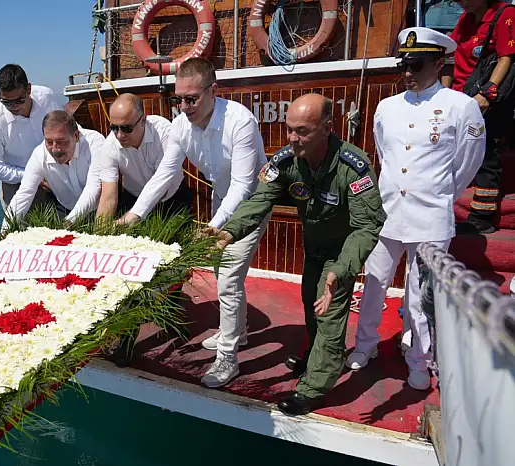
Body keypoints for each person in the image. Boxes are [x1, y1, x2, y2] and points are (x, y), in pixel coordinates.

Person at [202, 93, 387, 415]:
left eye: (302, 131)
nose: (292, 138)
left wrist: (342, 269)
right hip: (313, 250)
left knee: (328, 315)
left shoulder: (353, 167)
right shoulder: (286, 162)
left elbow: (367, 226)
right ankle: (315, 359)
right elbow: (259, 200)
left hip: (341, 253)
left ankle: (313, 388)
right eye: (289, 129)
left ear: (327, 128)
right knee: (310, 307)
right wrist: (229, 232)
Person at [116, 57, 269, 388]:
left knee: (228, 278)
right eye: (179, 99)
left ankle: (227, 359)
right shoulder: (181, 126)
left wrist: (214, 225)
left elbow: (243, 185)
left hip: (251, 203)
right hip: (222, 199)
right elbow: (165, 173)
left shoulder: (240, 121)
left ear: (213, 91)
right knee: (223, 273)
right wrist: (135, 214)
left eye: (191, 99)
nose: (183, 107)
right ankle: (239, 331)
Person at [347, 27, 487, 390]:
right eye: (403, 65)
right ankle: (365, 345)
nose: (408, 72)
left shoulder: (462, 107)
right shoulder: (387, 108)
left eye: (417, 65)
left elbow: (468, 162)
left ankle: (419, 360)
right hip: (388, 212)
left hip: (430, 216)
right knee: (374, 282)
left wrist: (438, 193)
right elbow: (385, 154)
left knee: (420, 293)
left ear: (439, 64)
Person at [442, 0, 515, 234]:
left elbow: (507, 58)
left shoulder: (506, 13)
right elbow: (452, 58)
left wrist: (487, 93)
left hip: (485, 100)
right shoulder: (466, 19)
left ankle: (482, 218)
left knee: (486, 156)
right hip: (462, 98)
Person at [91, 93, 192, 220]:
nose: (119, 135)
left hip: (171, 197)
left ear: (143, 120)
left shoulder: (164, 132)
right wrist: (101, 230)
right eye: (114, 128)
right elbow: (108, 197)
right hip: (133, 197)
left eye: (126, 128)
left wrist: (133, 217)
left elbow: (162, 182)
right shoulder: (109, 145)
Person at [2, 110, 105, 230]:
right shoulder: (39, 154)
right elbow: (24, 193)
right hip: (67, 209)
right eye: (49, 142)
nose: (55, 149)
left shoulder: (94, 143)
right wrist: (5, 231)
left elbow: (93, 188)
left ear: (76, 136)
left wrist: (68, 223)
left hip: (101, 209)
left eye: (61, 142)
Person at [0, 64, 62, 211]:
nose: (14, 107)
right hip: (17, 183)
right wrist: (29, 176)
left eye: (19, 100)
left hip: (56, 173)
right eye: (7, 102)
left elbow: (64, 125)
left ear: (29, 89)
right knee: (20, 225)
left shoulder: (46, 97)